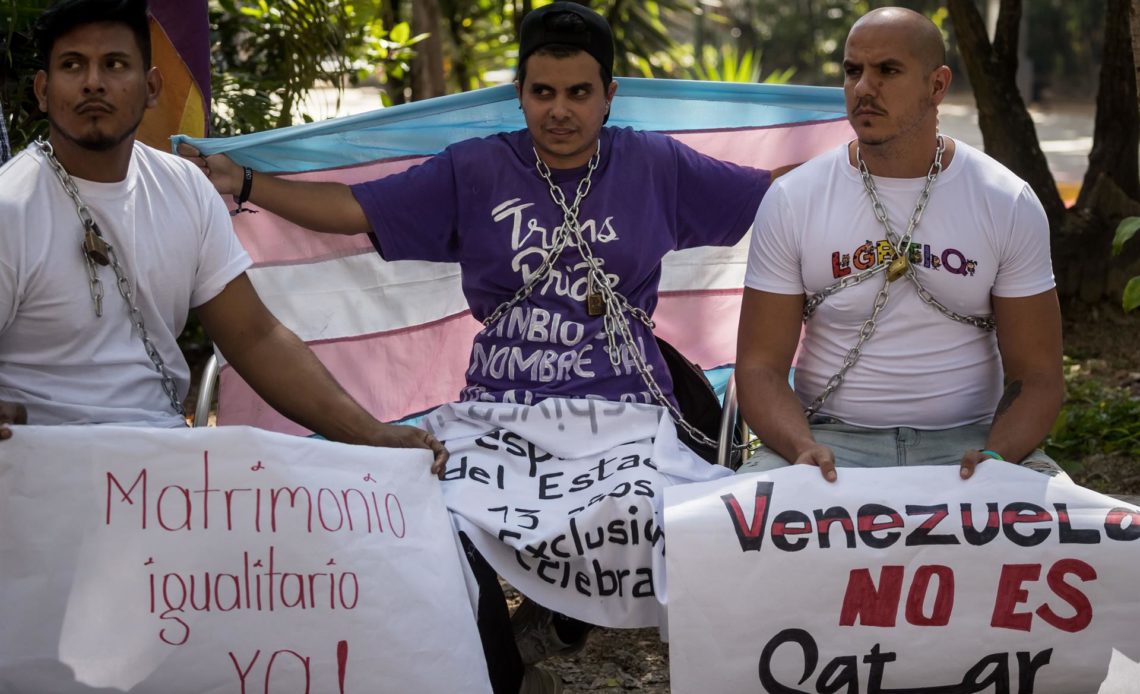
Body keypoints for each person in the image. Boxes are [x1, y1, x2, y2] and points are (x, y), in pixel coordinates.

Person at [181, 4, 777, 692]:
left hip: (626, 418)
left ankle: (566, 622)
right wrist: (246, 183)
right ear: (518, 91)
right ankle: (506, 677)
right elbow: (354, 210)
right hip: (500, 418)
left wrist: (864, 166)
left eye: (579, 93)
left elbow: (772, 201)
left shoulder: (653, 164)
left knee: (676, 522)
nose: (559, 110)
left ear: (609, 95)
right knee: (428, 523)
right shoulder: (476, 169)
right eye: (541, 92)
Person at [0, 0, 446, 471]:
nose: (94, 81)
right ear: (44, 91)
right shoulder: (11, 206)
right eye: (73, 65)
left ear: (151, 87)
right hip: (41, 475)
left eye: (114, 64)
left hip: (165, 470)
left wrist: (372, 435)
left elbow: (255, 338)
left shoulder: (185, 187)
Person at [735, 6, 1065, 483]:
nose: (864, 88)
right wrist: (802, 448)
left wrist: (997, 457)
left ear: (937, 85)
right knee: (731, 538)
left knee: (1070, 536)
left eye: (888, 70)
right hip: (826, 441)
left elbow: (1037, 376)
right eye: (853, 71)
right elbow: (760, 367)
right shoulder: (794, 199)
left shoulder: (1004, 199)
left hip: (975, 443)